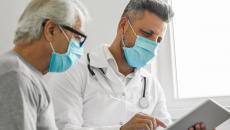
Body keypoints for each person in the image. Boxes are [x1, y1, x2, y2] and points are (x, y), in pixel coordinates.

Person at [47, 0, 174, 130]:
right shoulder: (74, 72)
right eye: (147, 34)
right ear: (123, 25)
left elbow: (165, 126)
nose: (153, 46)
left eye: (158, 40)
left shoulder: (152, 85)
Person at [0, 0, 89, 130]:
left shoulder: (29, 76)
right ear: (51, 30)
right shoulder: (15, 75)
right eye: (77, 37)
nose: (79, 48)